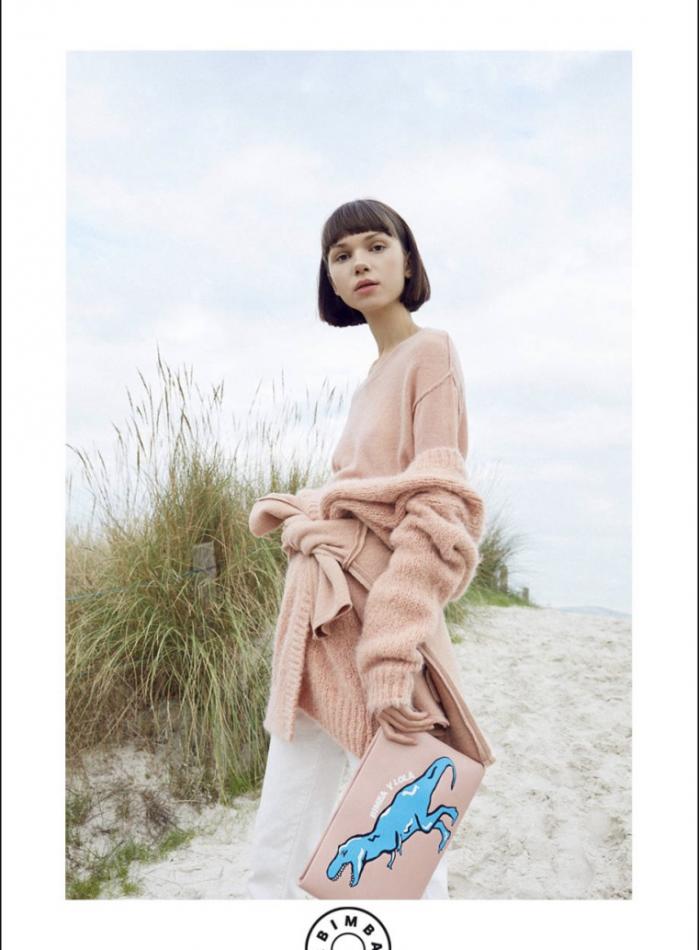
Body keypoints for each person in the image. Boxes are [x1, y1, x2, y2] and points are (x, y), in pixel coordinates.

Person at [245, 198, 482, 900]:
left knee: (405, 828)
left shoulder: (431, 352)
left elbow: (436, 511)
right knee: (283, 827)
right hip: (318, 621)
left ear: (408, 261)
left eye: (376, 246)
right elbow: (363, 488)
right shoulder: (371, 378)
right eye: (341, 255)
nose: (360, 264)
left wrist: (390, 656)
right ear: (330, 279)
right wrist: (312, 510)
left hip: (378, 613)